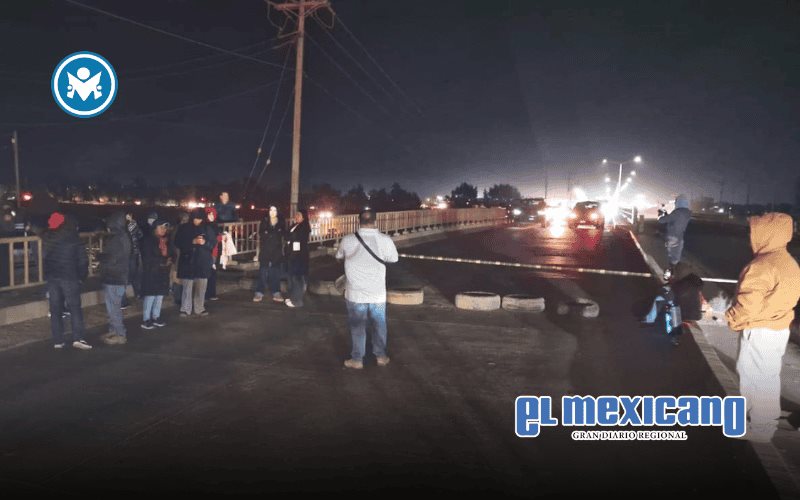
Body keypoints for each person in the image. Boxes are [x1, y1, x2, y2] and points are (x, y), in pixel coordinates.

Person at [726, 212, 800, 442]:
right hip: (778, 327)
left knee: (755, 376)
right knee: (766, 375)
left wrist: (731, 318)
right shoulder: (789, 263)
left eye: (754, 232)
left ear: (767, 234)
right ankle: (757, 418)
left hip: (760, 329)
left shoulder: (762, 265)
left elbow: (748, 304)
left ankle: (761, 428)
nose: (751, 238)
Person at [336, 209, 399, 369]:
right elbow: (394, 259)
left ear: (359, 221)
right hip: (377, 293)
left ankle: (357, 359)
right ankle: (381, 356)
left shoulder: (348, 240)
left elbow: (339, 256)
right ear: (375, 221)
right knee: (379, 324)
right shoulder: (385, 240)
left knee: (357, 326)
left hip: (355, 294)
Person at [42, 212, 92, 350]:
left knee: (55, 309)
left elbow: (45, 259)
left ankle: (58, 340)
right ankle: (78, 338)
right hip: (70, 277)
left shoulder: (48, 237)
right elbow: (82, 260)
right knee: (75, 308)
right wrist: (82, 277)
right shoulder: (73, 238)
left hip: (53, 277)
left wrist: (48, 274)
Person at [642, 262, 704, 345]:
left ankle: (650, 320)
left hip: (681, 313)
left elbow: (666, 290)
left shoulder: (675, 288)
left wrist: (664, 288)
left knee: (661, 300)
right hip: (696, 314)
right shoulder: (696, 282)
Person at [98, 211, 132, 346]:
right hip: (120, 276)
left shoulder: (116, 239)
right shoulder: (124, 236)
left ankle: (120, 333)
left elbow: (112, 259)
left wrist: (100, 256)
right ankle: (113, 330)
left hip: (113, 277)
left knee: (113, 307)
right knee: (113, 306)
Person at [175, 208, 216, 317]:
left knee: (201, 288)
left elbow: (213, 243)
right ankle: (185, 309)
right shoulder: (184, 228)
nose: (197, 221)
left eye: (200, 219)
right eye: (195, 218)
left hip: (202, 262)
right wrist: (192, 242)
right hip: (188, 261)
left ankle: (199, 308)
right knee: (187, 288)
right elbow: (177, 242)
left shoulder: (207, 228)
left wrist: (204, 242)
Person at [140, 219, 174, 330]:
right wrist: (163, 261)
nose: (163, 230)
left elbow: (172, 253)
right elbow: (147, 257)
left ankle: (156, 317)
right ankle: (146, 319)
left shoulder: (167, 240)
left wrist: (170, 259)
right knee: (150, 296)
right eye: (161, 227)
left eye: (165, 228)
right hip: (152, 272)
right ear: (155, 228)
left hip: (163, 272)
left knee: (159, 296)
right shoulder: (148, 240)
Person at [254, 205, 286, 303]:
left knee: (275, 272)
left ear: (277, 211)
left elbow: (283, 234)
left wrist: (271, 233)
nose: (272, 212)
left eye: (275, 210)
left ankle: (276, 292)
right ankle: (259, 292)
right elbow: (261, 234)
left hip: (276, 251)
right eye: (271, 210)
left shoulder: (281, 221)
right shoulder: (264, 220)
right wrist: (270, 233)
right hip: (265, 250)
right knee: (263, 271)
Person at [657, 194, 691, 278]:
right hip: (680, 237)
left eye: (676, 202)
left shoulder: (677, 212)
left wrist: (660, 214)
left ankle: (670, 275)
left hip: (672, 237)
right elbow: (674, 219)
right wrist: (666, 214)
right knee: (676, 257)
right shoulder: (687, 212)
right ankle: (674, 275)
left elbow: (662, 220)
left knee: (671, 258)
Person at [285, 209, 310, 308]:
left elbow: (297, 238)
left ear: (303, 217)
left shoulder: (304, 227)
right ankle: (292, 297)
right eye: (296, 215)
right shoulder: (294, 225)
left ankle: (297, 300)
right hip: (292, 254)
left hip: (299, 256)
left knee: (297, 278)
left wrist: (290, 238)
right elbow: (288, 235)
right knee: (292, 277)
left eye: (299, 215)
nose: (296, 217)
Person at [121, 212, 144, 308]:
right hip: (134, 252)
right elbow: (140, 235)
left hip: (128, 254)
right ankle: (138, 293)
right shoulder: (134, 226)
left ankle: (123, 300)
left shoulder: (125, 227)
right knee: (135, 275)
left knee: (125, 276)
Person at [204, 206, 221, 301]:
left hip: (215, 251)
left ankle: (211, 293)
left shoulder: (214, 225)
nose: (211, 216)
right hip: (209, 251)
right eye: (209, 214)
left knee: (213, 273)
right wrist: (219, 238)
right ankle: (208, 294)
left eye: (213, 214)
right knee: (209, 272)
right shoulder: (206, 226)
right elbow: (212, 239)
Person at [0, 203, 15, 288]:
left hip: (4, 243)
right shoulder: (5, 213)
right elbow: (10, 228)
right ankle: (5, 284)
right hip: (3, 243)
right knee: (4, 264)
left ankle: (5, 284)